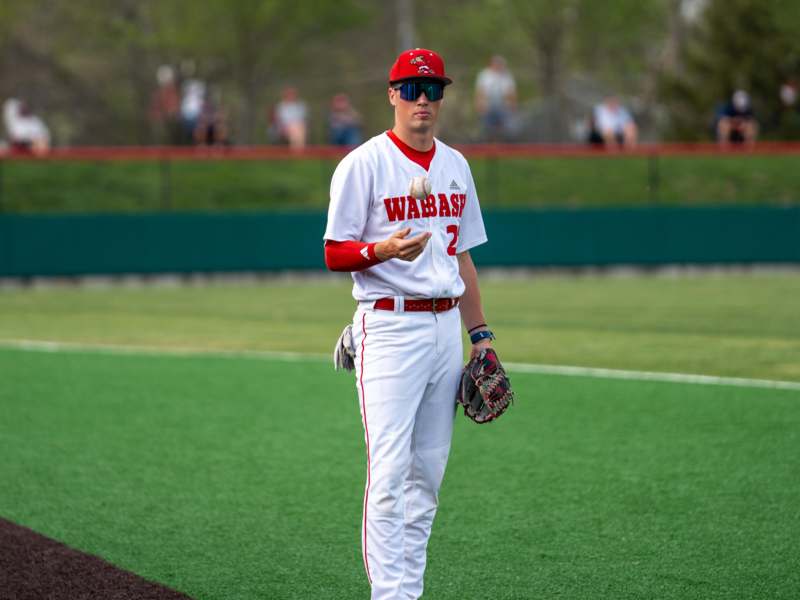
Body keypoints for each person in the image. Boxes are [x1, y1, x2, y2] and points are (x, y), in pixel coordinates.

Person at [323, 48, 494, 600]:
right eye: (412, 90)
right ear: (392, 94)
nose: (424, 100)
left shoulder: (456, 165)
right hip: (391, 326)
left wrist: (482, 338)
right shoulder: (363, 163)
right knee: (391, 473)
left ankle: (408, 592)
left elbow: (462, 258)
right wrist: (381, 249)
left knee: (428, 477)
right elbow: (334, 251)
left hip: (446, 328)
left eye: (434, 90)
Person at [474, 55, 517, 141]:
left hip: (503, 107)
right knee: (487, 129)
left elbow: (511, 92)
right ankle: (489, 147)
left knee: (505, 129)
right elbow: (480, 91)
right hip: (488, 107)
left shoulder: (506, 76)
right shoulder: (485, 75)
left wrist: (512, 105)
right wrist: (479, 104)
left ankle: (502, 146)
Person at [271, 86, 307, 150]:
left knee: (298, 129)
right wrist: (283, 128)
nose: (291, 96)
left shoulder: (301, 106)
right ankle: (296, 151)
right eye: (289, 94)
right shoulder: (281, 106)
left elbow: (303, 120)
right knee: (295, 130)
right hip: (284, 128)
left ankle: (297, 151)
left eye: (292, 94)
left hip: (298, 127)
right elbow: (278, 120)